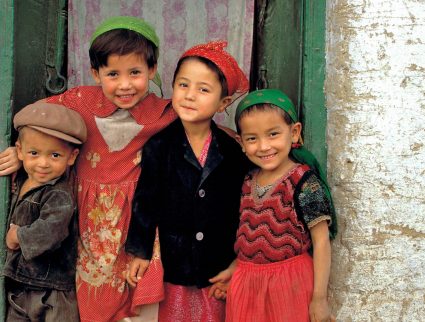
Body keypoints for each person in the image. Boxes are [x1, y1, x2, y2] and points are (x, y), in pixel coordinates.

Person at [0, 16, 177, 322]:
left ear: (152, 69)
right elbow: (36, 121)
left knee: (134, 289)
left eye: (135, 72)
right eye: (112, 74)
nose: (125, 84)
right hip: (86, 216)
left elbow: (201, 123)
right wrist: (22, 152)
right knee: (90, 293)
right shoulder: (79, 103)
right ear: (96, 73)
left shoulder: (161, 112)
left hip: (133, 217)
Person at [125, 41, 251, 322]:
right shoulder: (159, 145)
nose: (190, 96)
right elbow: (145, 202)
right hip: (175, 263)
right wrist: (141, 252)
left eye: (203, 89)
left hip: (217, 264)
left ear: (223, 102)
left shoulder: (233, 152)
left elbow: (244, 208)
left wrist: (238, 261)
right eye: (183, 85)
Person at [224, 89, 338, 322]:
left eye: (273, 134)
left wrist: (319, 298)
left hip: (290, 285)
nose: (264, 146)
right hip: (248, 285)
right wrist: (234, 270)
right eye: (252, 138)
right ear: (241, 142)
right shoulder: (248, 181)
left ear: (294, 133)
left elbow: (321, 241)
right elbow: (247, 235)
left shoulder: (304, 183)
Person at [3, 102, 87, 322]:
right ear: (19, 151)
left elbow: (52, 229)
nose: (43, 164)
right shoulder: (19, 181)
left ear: (72, 156)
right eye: (34, 153)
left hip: (52, 291)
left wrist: (18, 236)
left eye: (55, 156)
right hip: (22, 286)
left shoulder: (59, 194)